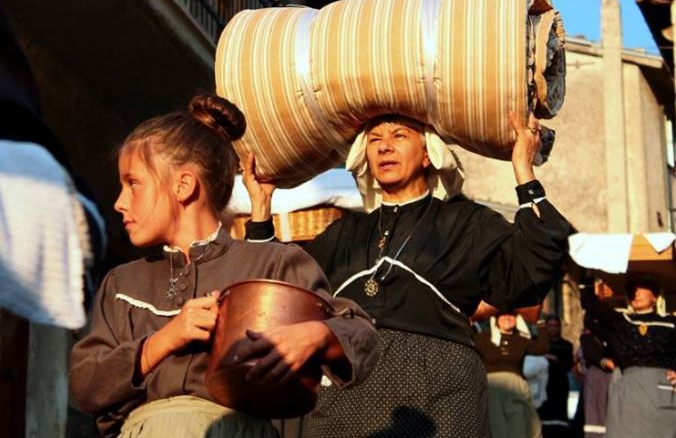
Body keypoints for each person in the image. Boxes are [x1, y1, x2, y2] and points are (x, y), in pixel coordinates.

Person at [69, 94, 380, 438]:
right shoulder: (123, 283)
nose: (119, 202)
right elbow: (85, 385)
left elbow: (362, 335)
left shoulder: (271, 263)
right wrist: (165, 340)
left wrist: (317, 335)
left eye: (133, 184)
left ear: (183, 185)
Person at [245, 111, 573, 437]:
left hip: (441, 398)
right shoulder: (345, 232)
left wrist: (522, 169)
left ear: (428, 154)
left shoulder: (465, 223)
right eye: (374, 140)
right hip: (348, 397)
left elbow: (532, 268)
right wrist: (261, 209)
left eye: (399, 136)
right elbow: (283, 289)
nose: (384, 147)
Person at [581, 274, 676, 438]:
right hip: (628, 394)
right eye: (632, 290)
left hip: (660, 393)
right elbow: (591, 312)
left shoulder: (670, 323)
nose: (636, 293)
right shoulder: (622, 322)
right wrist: (591, 280)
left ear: (655, 296)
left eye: (642, 287)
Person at [474, 312, 549, 438]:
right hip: (492, 386)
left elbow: (542, 348)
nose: (507, 318)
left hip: (516, 386)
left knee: (521, 421)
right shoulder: (483, 338)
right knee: (496, 424)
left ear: (517, 319)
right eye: (503, 315)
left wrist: (539, 322)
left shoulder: (521, 339)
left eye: (512, 315)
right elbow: (467, 338)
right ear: (496, 319)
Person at [537, 315, 574, 436]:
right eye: (550, 326)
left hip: (559, 385)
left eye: (555, 326)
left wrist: (556, 359)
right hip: (542, 385)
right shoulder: (537, 344)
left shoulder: (566, 345)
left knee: (559, 420)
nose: (553, 329)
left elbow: (568, 364)